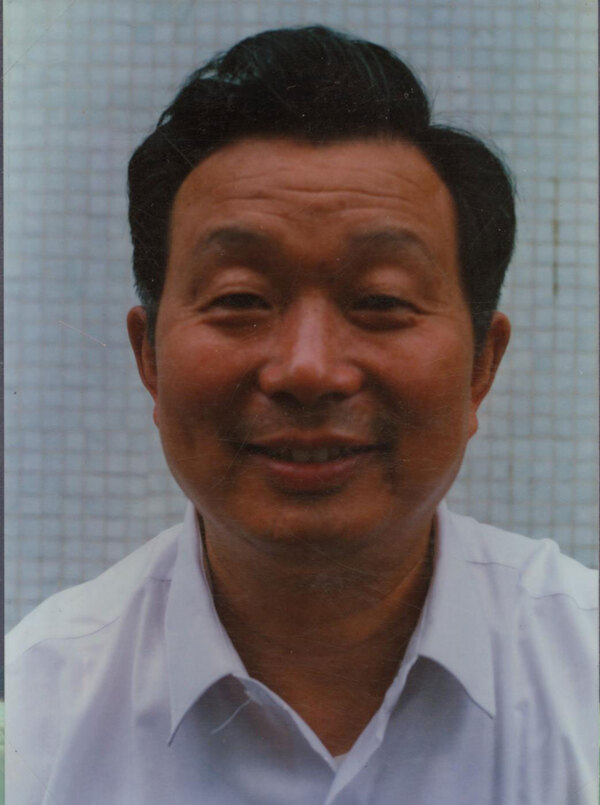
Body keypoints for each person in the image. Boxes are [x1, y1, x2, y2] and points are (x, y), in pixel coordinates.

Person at [7, 26, 597, 805]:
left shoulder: (585, 674)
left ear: (482, 365)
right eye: (240, 299)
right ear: (148, 356)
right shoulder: (33, 716)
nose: (308, 369)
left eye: (381, 300)